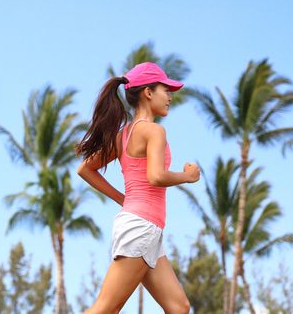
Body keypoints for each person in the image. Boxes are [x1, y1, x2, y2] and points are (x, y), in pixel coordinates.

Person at [75, 62, 200, 314]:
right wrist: (187, 177)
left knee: (179, 307)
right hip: (141, 228)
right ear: (148, 92)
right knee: (105, 308)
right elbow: (155, 176)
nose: (170, 97)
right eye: (166, 90)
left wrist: (125, 200)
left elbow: (85, 169)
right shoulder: (154, 131)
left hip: (146, 228)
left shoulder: (124, 135)